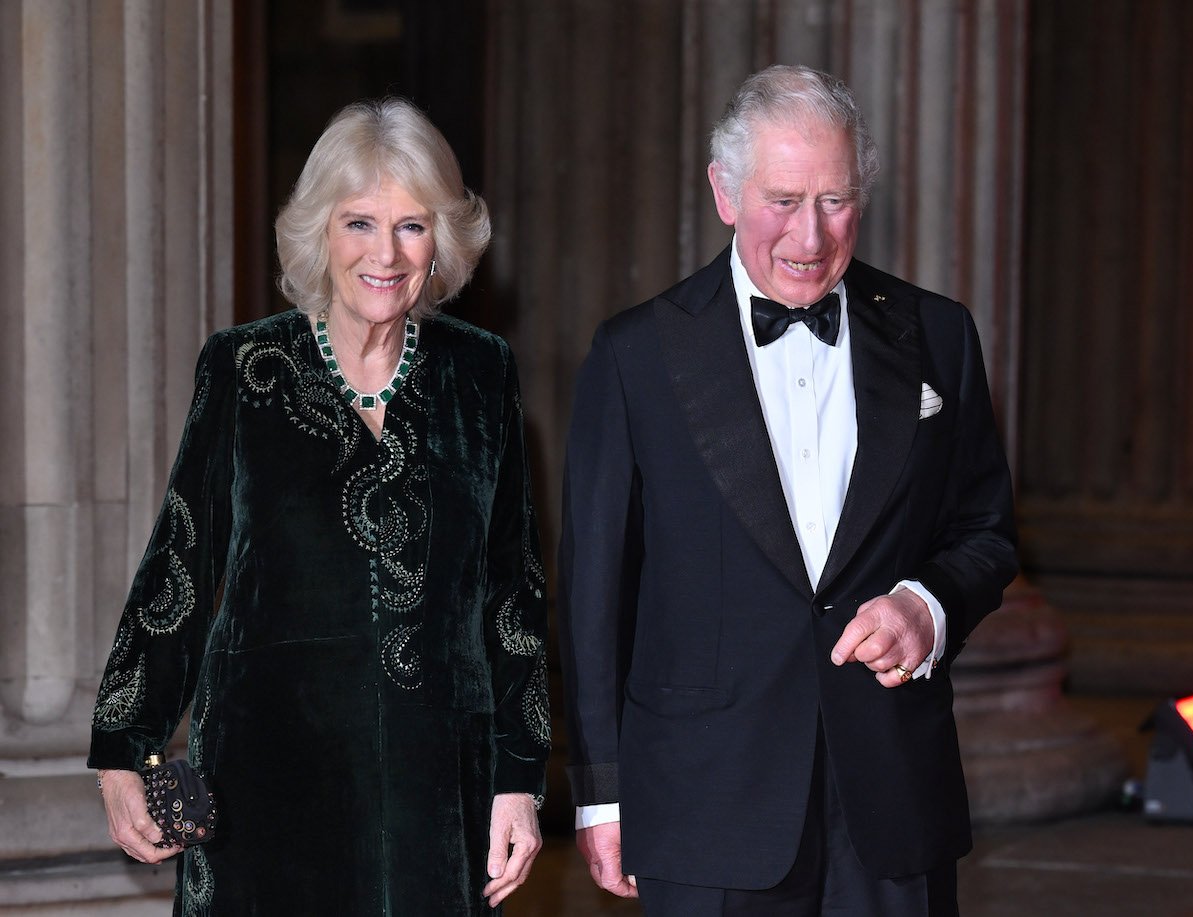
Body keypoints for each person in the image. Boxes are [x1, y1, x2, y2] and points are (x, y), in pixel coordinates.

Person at [558, 64, 1017, 916]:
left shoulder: (939, 334)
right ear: (724, 192)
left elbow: (986, 530)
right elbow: (593, 594)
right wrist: (602, 791)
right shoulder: (635, 355)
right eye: (783, 200)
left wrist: (927, 603)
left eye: (835, 200)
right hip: (704, 802)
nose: (810, 236)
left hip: (889, 798)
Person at [89, 98, 549, 915]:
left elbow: (512, 591)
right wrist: (125, 748)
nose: (386, 253)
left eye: (412, 226)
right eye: (359, 223)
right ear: (319, 233)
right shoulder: (243, 368)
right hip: (267, 779)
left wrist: (519, 780)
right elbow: (181, 562)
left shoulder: (480, 374)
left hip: (433, 786)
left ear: (441, 239)